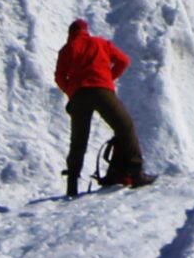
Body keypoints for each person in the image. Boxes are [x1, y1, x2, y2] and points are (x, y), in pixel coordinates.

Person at [54, 17, 152, 194]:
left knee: (78, 141)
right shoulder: (100, 43)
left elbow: (60, 77)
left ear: (71, 34)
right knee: (125, 127)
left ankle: (72, 186)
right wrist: (107, 78)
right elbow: (123, 61)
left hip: (78, 96)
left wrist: (72, 91)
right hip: (102, 91)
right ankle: (136, 174)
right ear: (86, 31)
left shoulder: (66, 49)